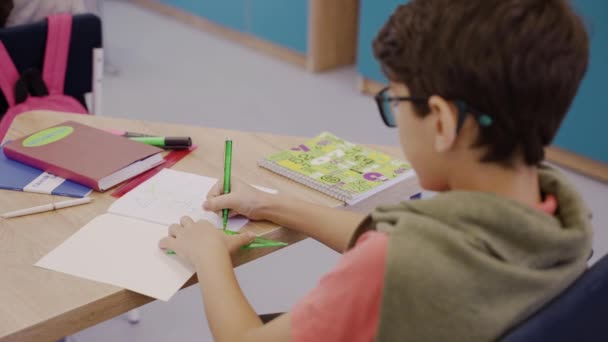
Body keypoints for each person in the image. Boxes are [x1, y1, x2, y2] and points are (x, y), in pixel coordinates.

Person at [158, 0, 593, 340]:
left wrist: (211, 257)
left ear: (441, 122)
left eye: (396, 102)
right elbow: (399, 242)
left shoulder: (393, 267)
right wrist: (274, 205)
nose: (395, 117)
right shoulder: (557, 216)